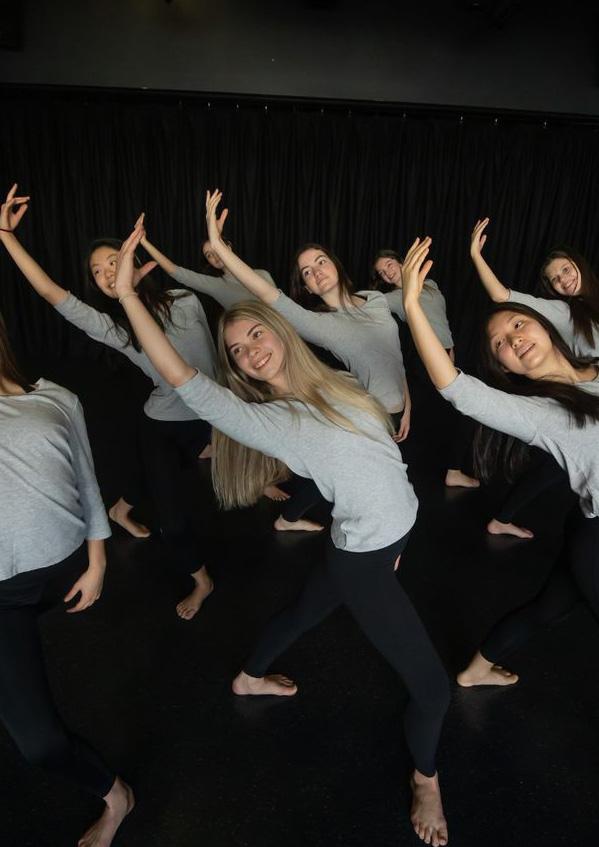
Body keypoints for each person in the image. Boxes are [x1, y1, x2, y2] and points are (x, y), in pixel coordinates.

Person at [113, 208, 451, 847]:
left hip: (383, 540)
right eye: (237, 352)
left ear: (280, 332)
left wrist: (396, 536)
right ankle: (426, 780)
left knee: (304, 610)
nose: (248, 352)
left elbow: (379, 460)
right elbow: (184, 378)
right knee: (433, 693)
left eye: (254, 336)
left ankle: (248, 676)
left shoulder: (339, 381)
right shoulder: (272, 420)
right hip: (363, 556)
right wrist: (129, 295)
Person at [0, 185, 215, 620]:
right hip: (161, 423)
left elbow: (213, 367)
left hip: (206, 420)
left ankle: (120, 508)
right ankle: (202, 581)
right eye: (97, 272)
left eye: (112, 261)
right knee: (172, 518)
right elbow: (51, 293)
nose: (106, 273)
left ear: (134, 258)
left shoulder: (187, 301)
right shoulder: (117, 330)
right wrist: (5, 236)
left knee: (151, 476)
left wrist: (223, 432)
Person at [402, 236, 599, 692]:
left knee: (547, 608)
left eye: (518, 325)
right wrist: (412, 305)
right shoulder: (536, 412)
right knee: (549, 607)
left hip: (586, 532)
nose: (514, 339)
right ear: (504, 366)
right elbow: (456, 390)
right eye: (501, 344)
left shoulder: (594, 367)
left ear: (545, 326)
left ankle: (474, 671)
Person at [0, 311, 134, 847]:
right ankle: (114, 792)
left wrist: (98, 562)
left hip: (63, 570)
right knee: (39, 745)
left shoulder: (56, 399)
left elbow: (86, 479)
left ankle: (118, 799)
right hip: (3, 596)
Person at [469, 218, 579, 538]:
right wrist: (476, 256)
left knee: (557, 465)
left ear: (578, 265)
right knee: (555, 464)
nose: (564, 280)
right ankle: (502, 517)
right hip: (571, 397)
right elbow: (502, 296)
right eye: (555, 278)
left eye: (566, 270)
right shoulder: (563, 312)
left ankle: (503, 517)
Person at [371, 249, 479, 488]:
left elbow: (441, 323)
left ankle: (451, 470)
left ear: (401, 262)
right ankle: (381, 466)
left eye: (389, 264)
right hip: (426, 362)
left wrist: (451, 353)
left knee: (458, 414)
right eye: (381, 272)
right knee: (415, 416)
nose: (387, 273)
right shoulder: (395, 298)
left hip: (447, 358)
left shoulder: (431, 284)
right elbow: (366, 300)